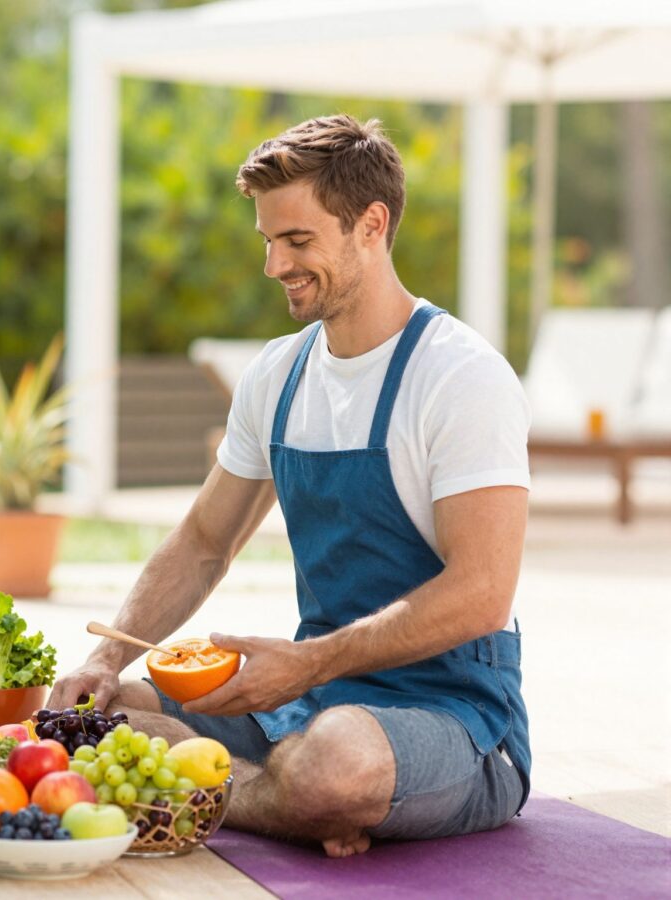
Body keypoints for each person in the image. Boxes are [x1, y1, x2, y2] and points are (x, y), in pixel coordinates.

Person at [50, 115, 531, 858]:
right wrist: (108, 660)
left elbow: (483, 592)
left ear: (371, 225)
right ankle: (281, 792)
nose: (275, 265)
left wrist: (308, 665)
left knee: (337, 763)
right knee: (105, 718)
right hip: (309, 702)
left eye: (298, 241)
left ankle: (243, 788)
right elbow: (205, 542)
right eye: (268, 241)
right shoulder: (278, 375)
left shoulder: (460, 376)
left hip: (452, 715)